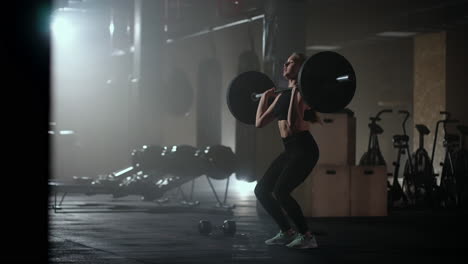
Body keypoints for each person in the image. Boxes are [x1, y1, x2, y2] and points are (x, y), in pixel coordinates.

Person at [254, 52, 321, 249]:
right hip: (290, 150)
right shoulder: (283, 95)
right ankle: (286, 231)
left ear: (301, 68)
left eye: (290, 62)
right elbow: (259, 122)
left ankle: (307, 236)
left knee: (281, 191)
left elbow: (292, 124)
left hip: (305, 149)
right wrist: (264, 99)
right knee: (261, 190)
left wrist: (294, 92)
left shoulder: (302, 95)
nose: (284, 64)